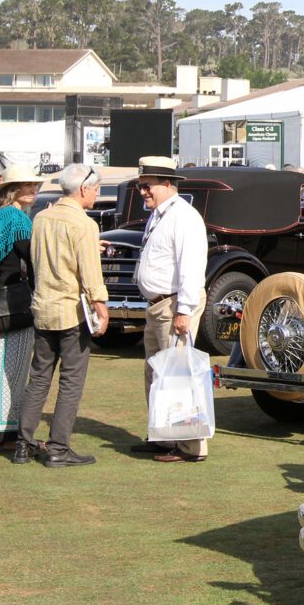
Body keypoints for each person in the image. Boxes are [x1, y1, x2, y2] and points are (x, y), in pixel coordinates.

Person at [15, 165, 109, 467]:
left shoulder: (41, 218)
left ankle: (23, 444)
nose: (97, 194)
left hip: (43, 308)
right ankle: (58, 448)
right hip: (70, 312)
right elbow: (91, 275)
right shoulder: (84, 224)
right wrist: (101, 308)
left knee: (39, 378)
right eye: (96, 189)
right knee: (71, 381)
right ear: (83, 189)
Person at [132, 157, 210, 463]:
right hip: (160, 305)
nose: (143, 191)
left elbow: (192, 266)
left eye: (147, 185)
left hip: (175, 303)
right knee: (157, 373)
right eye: (140, 185)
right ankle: (164, 438)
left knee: (178, 375)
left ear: (167, 184)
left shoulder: (184, 217)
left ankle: (190, 447)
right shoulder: (160, 215)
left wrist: (184, 310)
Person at [0, 166, 41, 447]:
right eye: (28, 185)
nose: (34, 190)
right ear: (13, 190)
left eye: (35, 185)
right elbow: (35, 257)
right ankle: (7, 430)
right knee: (14, 369)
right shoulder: (18, 220)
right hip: (14, 304)